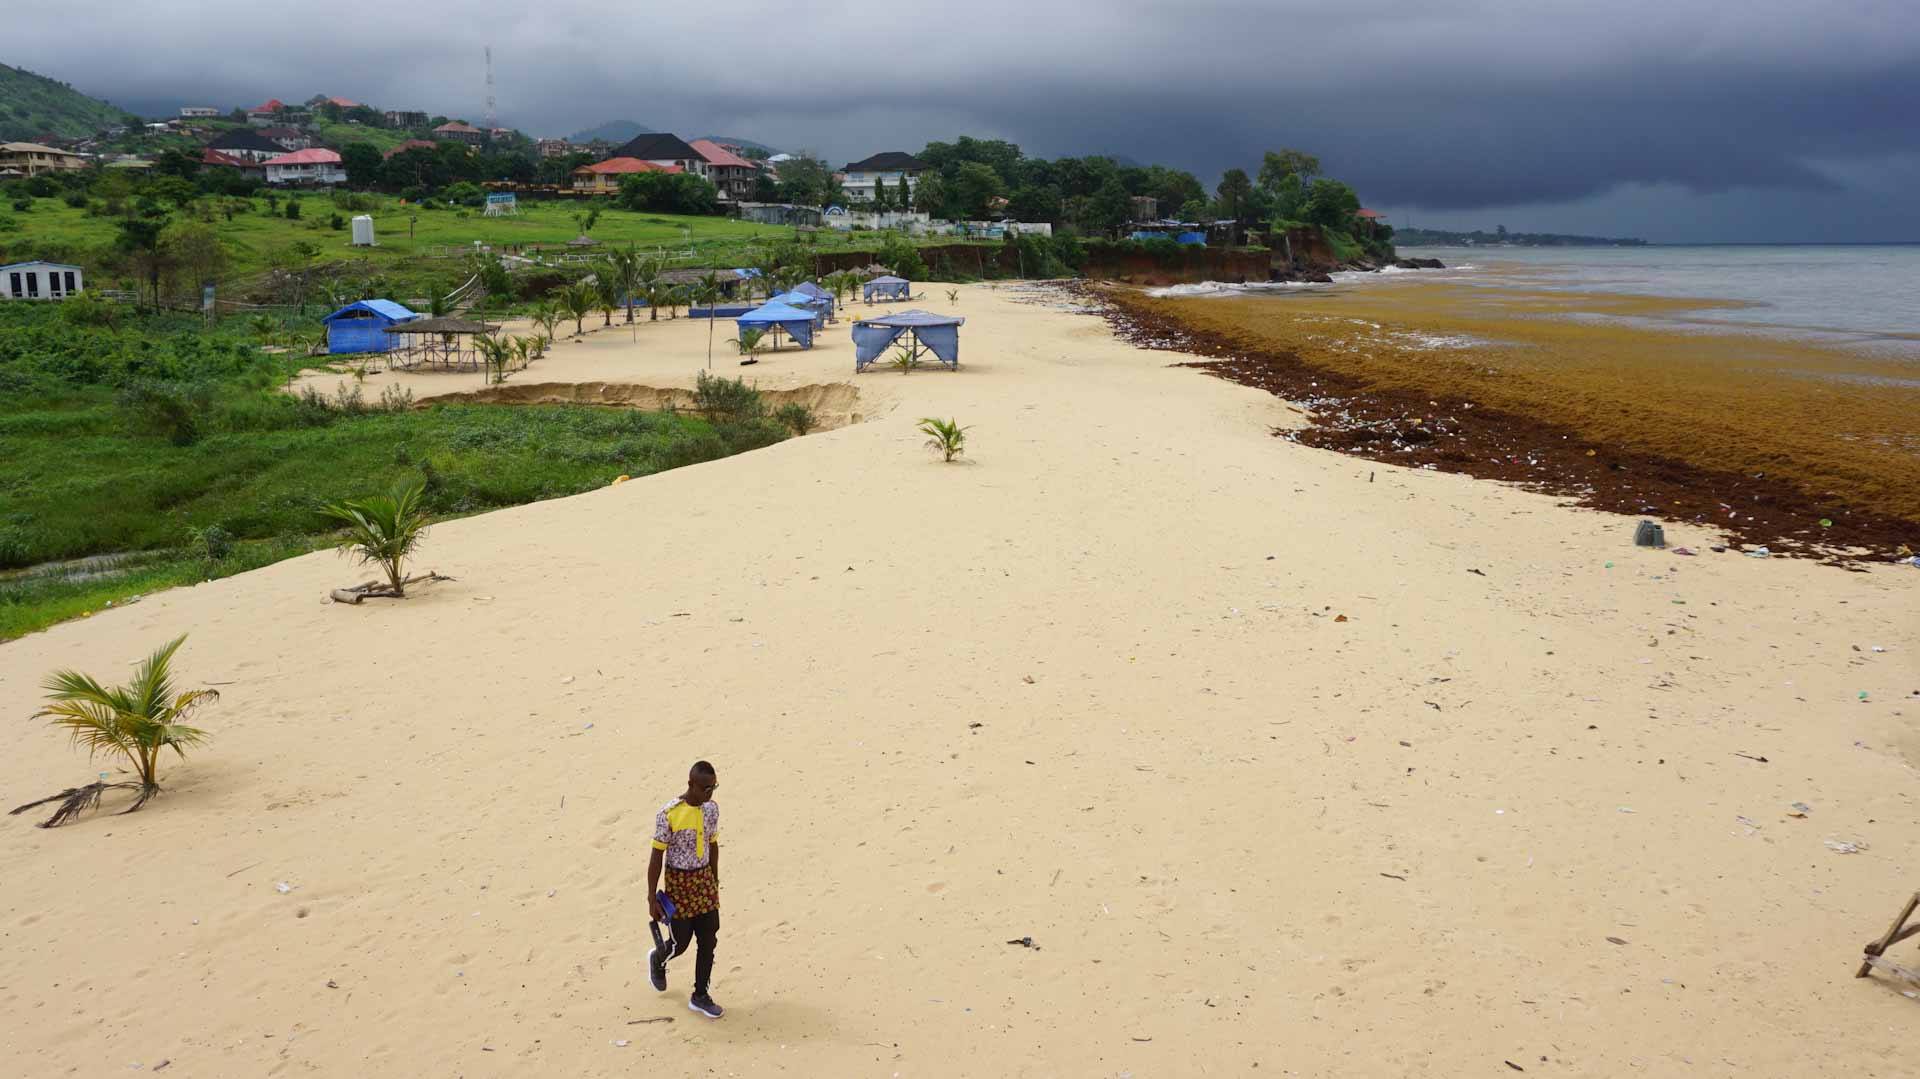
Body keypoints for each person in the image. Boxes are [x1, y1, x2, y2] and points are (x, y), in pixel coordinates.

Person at [647, 761, 723, 1018]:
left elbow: (713, 845)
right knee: (680, 944)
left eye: (713, 788)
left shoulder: (711, 810)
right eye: (705, 789)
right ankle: (658, 959)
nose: (709, 794)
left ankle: (700, 995)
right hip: (679, 885)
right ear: (691, 784)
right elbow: (656, 856)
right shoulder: (668, 814)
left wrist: (714, 881)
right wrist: (651, 898)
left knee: (709, 938)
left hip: (704, 883)